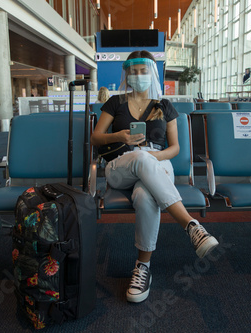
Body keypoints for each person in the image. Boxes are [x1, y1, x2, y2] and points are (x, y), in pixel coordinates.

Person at [91, 50, 219, 303]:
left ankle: (142, 267)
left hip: (157, 163)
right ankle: (191, 226)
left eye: (143, 71)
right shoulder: (115, 103)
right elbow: (96, 138)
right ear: (127, 73)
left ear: (151, 73)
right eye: (134, 71)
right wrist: (121, 137)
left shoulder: (164, 106)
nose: (138, 76)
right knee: (139, 158)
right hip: (121, 165)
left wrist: (151, 157)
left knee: (144, 195)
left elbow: (174, 149)